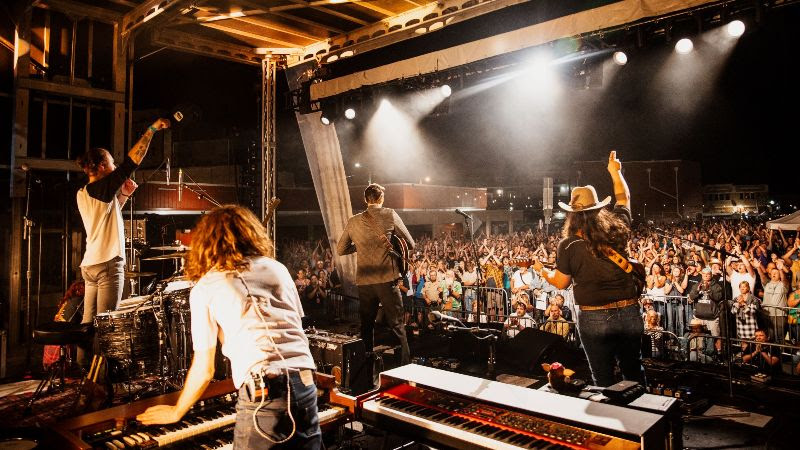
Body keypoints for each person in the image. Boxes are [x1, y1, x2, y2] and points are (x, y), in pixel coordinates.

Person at [137, 205, 320, 449]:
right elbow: (289, 326)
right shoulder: (278, 269)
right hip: (306, 385)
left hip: (264, 393)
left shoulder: (207, 285)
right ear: (251, 233)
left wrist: (176, 411)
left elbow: (205, 369)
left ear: (206, 243)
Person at [533, 151, 643, 387]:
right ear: (597, 208)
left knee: (603, 378)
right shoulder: (617, 227)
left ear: (572, 213)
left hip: (594, 316)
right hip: (628, 312)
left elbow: (561, 283)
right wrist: (615, 173)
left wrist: (542, 271)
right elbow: (624, 198)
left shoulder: (569, 243)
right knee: (633, 371)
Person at [75, 118, 170, 365]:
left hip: (90, 265)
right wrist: (151, 130)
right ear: (103, 165)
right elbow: (132, 161)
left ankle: (84, 370)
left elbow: (108, 213)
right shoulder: (103, 187)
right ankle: (100, 378)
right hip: (107, 264)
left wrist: (125, 195)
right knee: (106, 323)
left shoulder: (85, 192)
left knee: (89, 321)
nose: (115, 165)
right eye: (111, 162)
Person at [337, 183, 414, 366]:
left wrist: (360, 246)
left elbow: (341, 249)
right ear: (381, 199)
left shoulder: (353, 220)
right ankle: (405, 366)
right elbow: (410, 243)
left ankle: (365, 368)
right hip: (387, 279)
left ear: (366, 200)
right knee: (397, 326)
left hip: (364, 281)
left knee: (367, 326)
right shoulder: (389, 214)